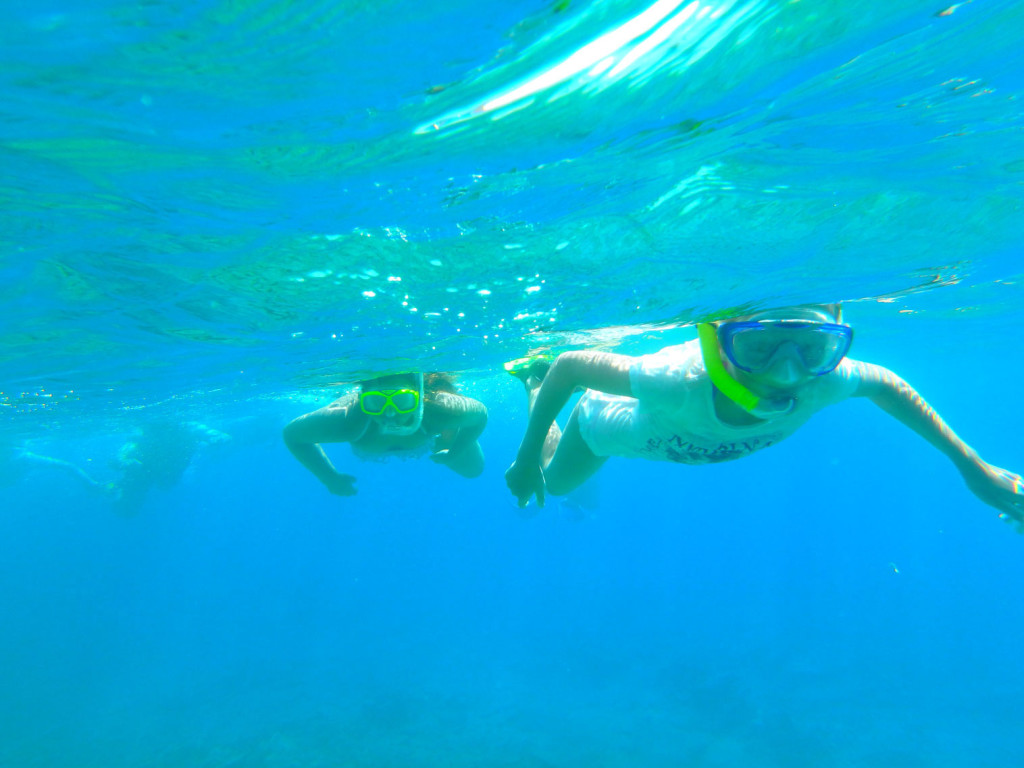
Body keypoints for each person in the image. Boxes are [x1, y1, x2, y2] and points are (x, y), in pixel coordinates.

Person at [504, 304, 1024, 530]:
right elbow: (571, 366)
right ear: (719, 343)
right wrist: (526, 459)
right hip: (604, 424)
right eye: (759, 346)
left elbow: (887, 384)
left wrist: (972, 466)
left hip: (668, 435)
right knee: (555, 480)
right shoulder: (673, 379)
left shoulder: (828, 380)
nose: (787, 373)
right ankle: (531, 379)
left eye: (812, 347)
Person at [283, 371, 487, 496]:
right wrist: (329, 477)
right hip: (425, 428)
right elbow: (292, 435)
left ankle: (450, 431)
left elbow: (480, 415)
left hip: (433, 429)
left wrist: (454, 452)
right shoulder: (348, 420)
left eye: (402, 401)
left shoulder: (437, 410)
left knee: (473, 470)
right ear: (362, 399)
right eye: (376, 402)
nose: (390, 414)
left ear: (421, 397)